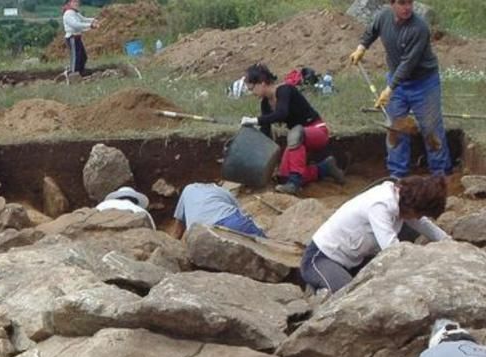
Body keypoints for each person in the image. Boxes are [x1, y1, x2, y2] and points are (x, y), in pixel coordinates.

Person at [348, 0, 451, 178]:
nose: (407, 8)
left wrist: (389, 89)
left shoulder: (419, 28)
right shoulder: (383, 16)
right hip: (397, 81)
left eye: (410, 3)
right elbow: (372, 31)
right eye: (402, 3)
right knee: (395, 127)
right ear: (392, 4)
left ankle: (440, 172)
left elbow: (408, 64)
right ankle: (397, 174)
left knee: (431, 128)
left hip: (424, 83)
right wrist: (361, 47)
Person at [301, 175, 449, 292]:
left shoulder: (402, 200)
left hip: (354, 262)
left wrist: (448, 242)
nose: (417, 218)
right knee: (346, 295)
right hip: (320, 258)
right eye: (418, 213)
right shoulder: (380, 205)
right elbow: (392, 249)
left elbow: (422, 223)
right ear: (413, 207)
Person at [239, 63, 346, 195]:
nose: (252, 93)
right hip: (299, 139)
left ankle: (294, 184)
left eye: (252, 88)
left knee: (295, 133)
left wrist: (254, 120)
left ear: (262, 83)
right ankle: (324, 168)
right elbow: (266, 133)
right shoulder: (265, 104)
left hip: (316, 131)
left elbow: (281, 113)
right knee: (284, 177)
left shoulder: (285, 90)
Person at [172, 182, 267, 239]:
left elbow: (177, 230)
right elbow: (240, 213)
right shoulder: (222, 190)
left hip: (198, 234)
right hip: (230, 222)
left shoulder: (188, 190)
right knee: (265, 244)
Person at [62, 0, 99, 77]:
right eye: (74, 2)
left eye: (77, 2)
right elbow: (75, 25)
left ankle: (81, 72)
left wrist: (93, 20)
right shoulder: (68, 14)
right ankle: (73, 74)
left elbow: (83, 19)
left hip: (77, 37)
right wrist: (90, 25)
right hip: (72, 37)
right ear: (69, 3)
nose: (77, 3)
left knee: (83, 56)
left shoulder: (74, 12)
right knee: (76, 57)